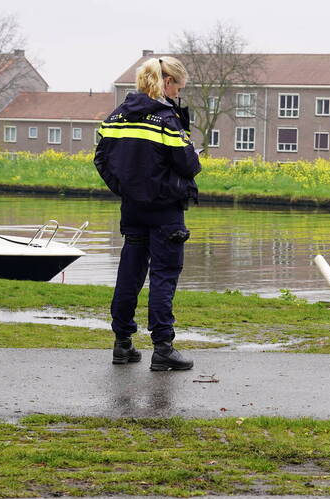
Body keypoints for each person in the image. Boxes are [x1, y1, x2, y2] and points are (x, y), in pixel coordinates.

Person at [94, 56, 201, 371]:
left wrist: (124, 188)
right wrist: (193, 154)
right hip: (165, 210)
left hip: (133, 208)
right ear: (167, 84)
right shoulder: (167, 119)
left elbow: (101, 158)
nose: (177, 95)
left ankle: (123, 344)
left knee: (129, 273)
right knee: (164, 276)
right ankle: (163, 348)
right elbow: (187, 164)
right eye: (178, 89)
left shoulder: (117, 116)